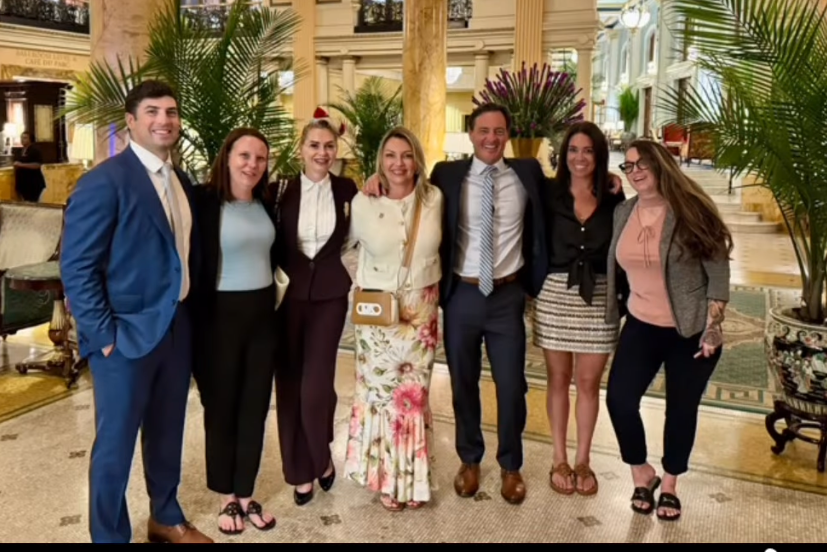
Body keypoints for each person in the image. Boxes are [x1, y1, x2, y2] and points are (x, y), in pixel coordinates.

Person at [363, 103, 549, 505]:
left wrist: (607, 179)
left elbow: (564, 192)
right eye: (483, 130)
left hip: (507, 295)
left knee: (511, 384)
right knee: (463, 381)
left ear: (508, 135)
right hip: (461, 294)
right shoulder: (447, 175)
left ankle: (511, 465)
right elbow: (406, 190)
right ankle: (470, 459)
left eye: (499, 131)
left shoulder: (528, 172)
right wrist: (374, 177)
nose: (491, 138)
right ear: (471, 134)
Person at [60, 80, 211, 544]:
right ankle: (109, 536)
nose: (163, 120)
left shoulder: (179, 180)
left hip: (175, 328)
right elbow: (78, 267)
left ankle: (165, 517)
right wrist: (103, 336)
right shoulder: (104, 181)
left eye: (170, 111)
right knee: (115, 447)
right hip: (123, 337)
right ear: (131, 121)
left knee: (168, 434)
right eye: (152, 111)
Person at [605, 140, 732, 522]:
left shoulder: (690, 209)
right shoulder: (624, 211)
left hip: (689, 328)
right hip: (641, 323)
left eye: (643, 163)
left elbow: (718, 271)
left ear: (661, 165)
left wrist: (712, 327)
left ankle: (671, 484)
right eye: (628, 166)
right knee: (619, 400)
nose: (636, 171)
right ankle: (641, 472)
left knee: (681, 408)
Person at [344, 127, 443, 511]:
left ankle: (413, 480)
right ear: (380, 161)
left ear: (417, 159)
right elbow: (344, 249)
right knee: (382, 395)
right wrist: (363, 281)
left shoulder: (435, 198)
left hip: (421, 313)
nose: (398, 163)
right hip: (377, 315)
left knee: (413, 397)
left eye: (406, 155)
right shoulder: (363, 201)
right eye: (390, 155)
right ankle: (384, 478)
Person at [189, 128, 278, 535]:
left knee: (255, 407)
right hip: (218, 316)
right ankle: (225, 497)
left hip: (262, 315)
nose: (252, 165)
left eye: (260, 158)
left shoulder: (266, 200)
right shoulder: (205, 202)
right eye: (244, 156)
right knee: (221, 409)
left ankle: (246, 492)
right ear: (227, 158)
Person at [533, 122, 625, 496]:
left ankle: (583, 458)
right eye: (573, 150)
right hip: (556, 294)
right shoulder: (548, 194)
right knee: (558, 379)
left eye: (588, 150)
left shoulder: (614, 197)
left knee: (588, 384)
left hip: (600, 296)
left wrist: (616, 178)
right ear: (563, 155)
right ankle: (559, 457)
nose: (580, 157)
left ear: (599, 155)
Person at [274, 118, 359, 505]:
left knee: (316, 386)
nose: (322, 152)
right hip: (286, 297)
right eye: (314, 145)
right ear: (301, 148)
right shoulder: (280, 191)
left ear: (335, 149)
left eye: (328, 145)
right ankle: (301, 471)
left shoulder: (348, 190)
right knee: (290, 385)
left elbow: (358, 234)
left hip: (329, 295)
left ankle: (322, 455)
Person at [12, 131, 46, 201]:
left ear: (30, 139)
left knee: (32, 203)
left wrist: (21, 165)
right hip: (23, 183)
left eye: (25, 138)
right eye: (21, 138)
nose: (22, 140)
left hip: (33, 183)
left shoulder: (35, 150)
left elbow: (37, 165)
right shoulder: (20, 151)